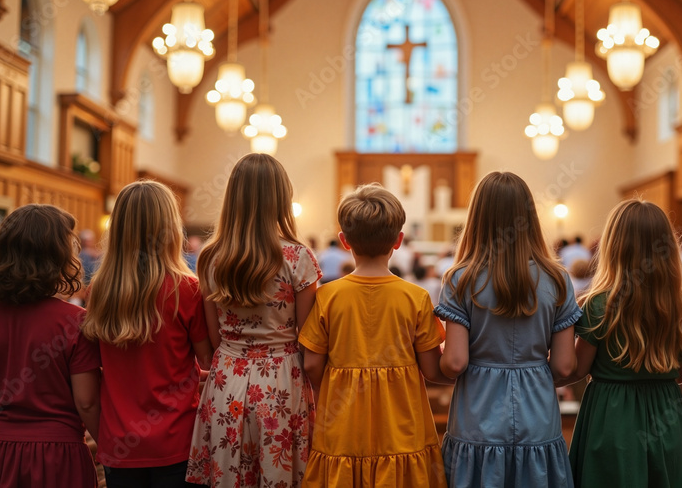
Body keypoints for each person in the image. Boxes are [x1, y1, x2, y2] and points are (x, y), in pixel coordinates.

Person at [435, 172, 579, 487]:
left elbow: (455, 363)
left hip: (477, 413)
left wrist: (437, 355)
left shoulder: (460, 279)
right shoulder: (556, 279)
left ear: (477, 218)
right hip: (537, 413)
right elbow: (565, 365)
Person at [300, 183, 448, 488]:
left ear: (344, 241)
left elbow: (312, 365)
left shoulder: (327, 296)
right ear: (399, 241)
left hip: (341, 424)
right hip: (402, 425)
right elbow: (433, 370)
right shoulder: (416, 297)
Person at [187, 154, 321, 487]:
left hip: (227, 377)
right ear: (281, 198)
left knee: (230, 474)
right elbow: (308, 339)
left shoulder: (211, 256)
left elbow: (215, 337)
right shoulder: (297, 257)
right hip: (282, 379)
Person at [0, 204, 101, 488]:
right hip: (59, 454)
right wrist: (108, 448)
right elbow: (87, 401)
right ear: (60, 257)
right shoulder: (76, 322)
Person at [82, 181, 213, 487]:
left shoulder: (99, 290)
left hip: (120, 439)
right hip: (176, 439)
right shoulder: (187, 289)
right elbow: (207, 358)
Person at [568, 200, 682, 488]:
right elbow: (681, 374)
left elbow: (578, 369)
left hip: (611, 416)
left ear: (614, 247)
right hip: (667, 414)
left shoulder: (598, 305)